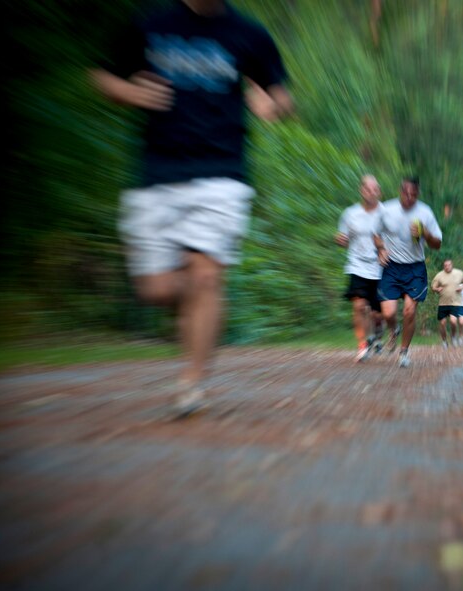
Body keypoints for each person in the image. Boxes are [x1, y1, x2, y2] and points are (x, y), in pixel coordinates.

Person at [91, 0, 293, 415]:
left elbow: (282, 96)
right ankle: (205, 298)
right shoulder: (150, 23)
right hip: (157, 172)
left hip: (221, 171)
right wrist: (130, 91)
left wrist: (270, 105)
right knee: (156, 289)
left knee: (205, 276)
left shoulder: (249, 34)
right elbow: (101, 75)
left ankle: (191, 383)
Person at [373, 177, 442, 368]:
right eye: (406, 193)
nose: (409, 197)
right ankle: (394, 330)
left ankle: (404, 352)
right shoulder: (386, 209)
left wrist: (425, 233)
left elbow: (437, 244)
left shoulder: (425, 212)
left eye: (414, 194)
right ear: (400, 190)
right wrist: (381, 249)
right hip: (391, 266)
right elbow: (375, 234)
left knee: (410, 311)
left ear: (418, 194)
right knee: (388, 313)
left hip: (415, 267)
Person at [336, 175, 384, 362]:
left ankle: (378, 330)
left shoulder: (385, 213)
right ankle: (362, 346)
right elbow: (342, 237)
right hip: (356, 265)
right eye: (367, 189)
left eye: (374, 189)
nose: (371, 192)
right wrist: (340, 240)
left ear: (379, 192)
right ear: (361, 190)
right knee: (358, 305)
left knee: (377, 313)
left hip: (380, 267)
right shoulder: (350, 213)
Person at [431, 259, 463, 349]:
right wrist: (436, 289)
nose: (447, 267)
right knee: (442, 324)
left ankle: (453, 337)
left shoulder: (459, 273)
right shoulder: (439, 275)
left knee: (453, 321)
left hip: (455, 302)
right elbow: (433, 287)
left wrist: (462, 287)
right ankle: (444, 341)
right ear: (443, 266)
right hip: (443, 303)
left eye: (449, 265)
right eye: (445, 265)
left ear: (452, 265)